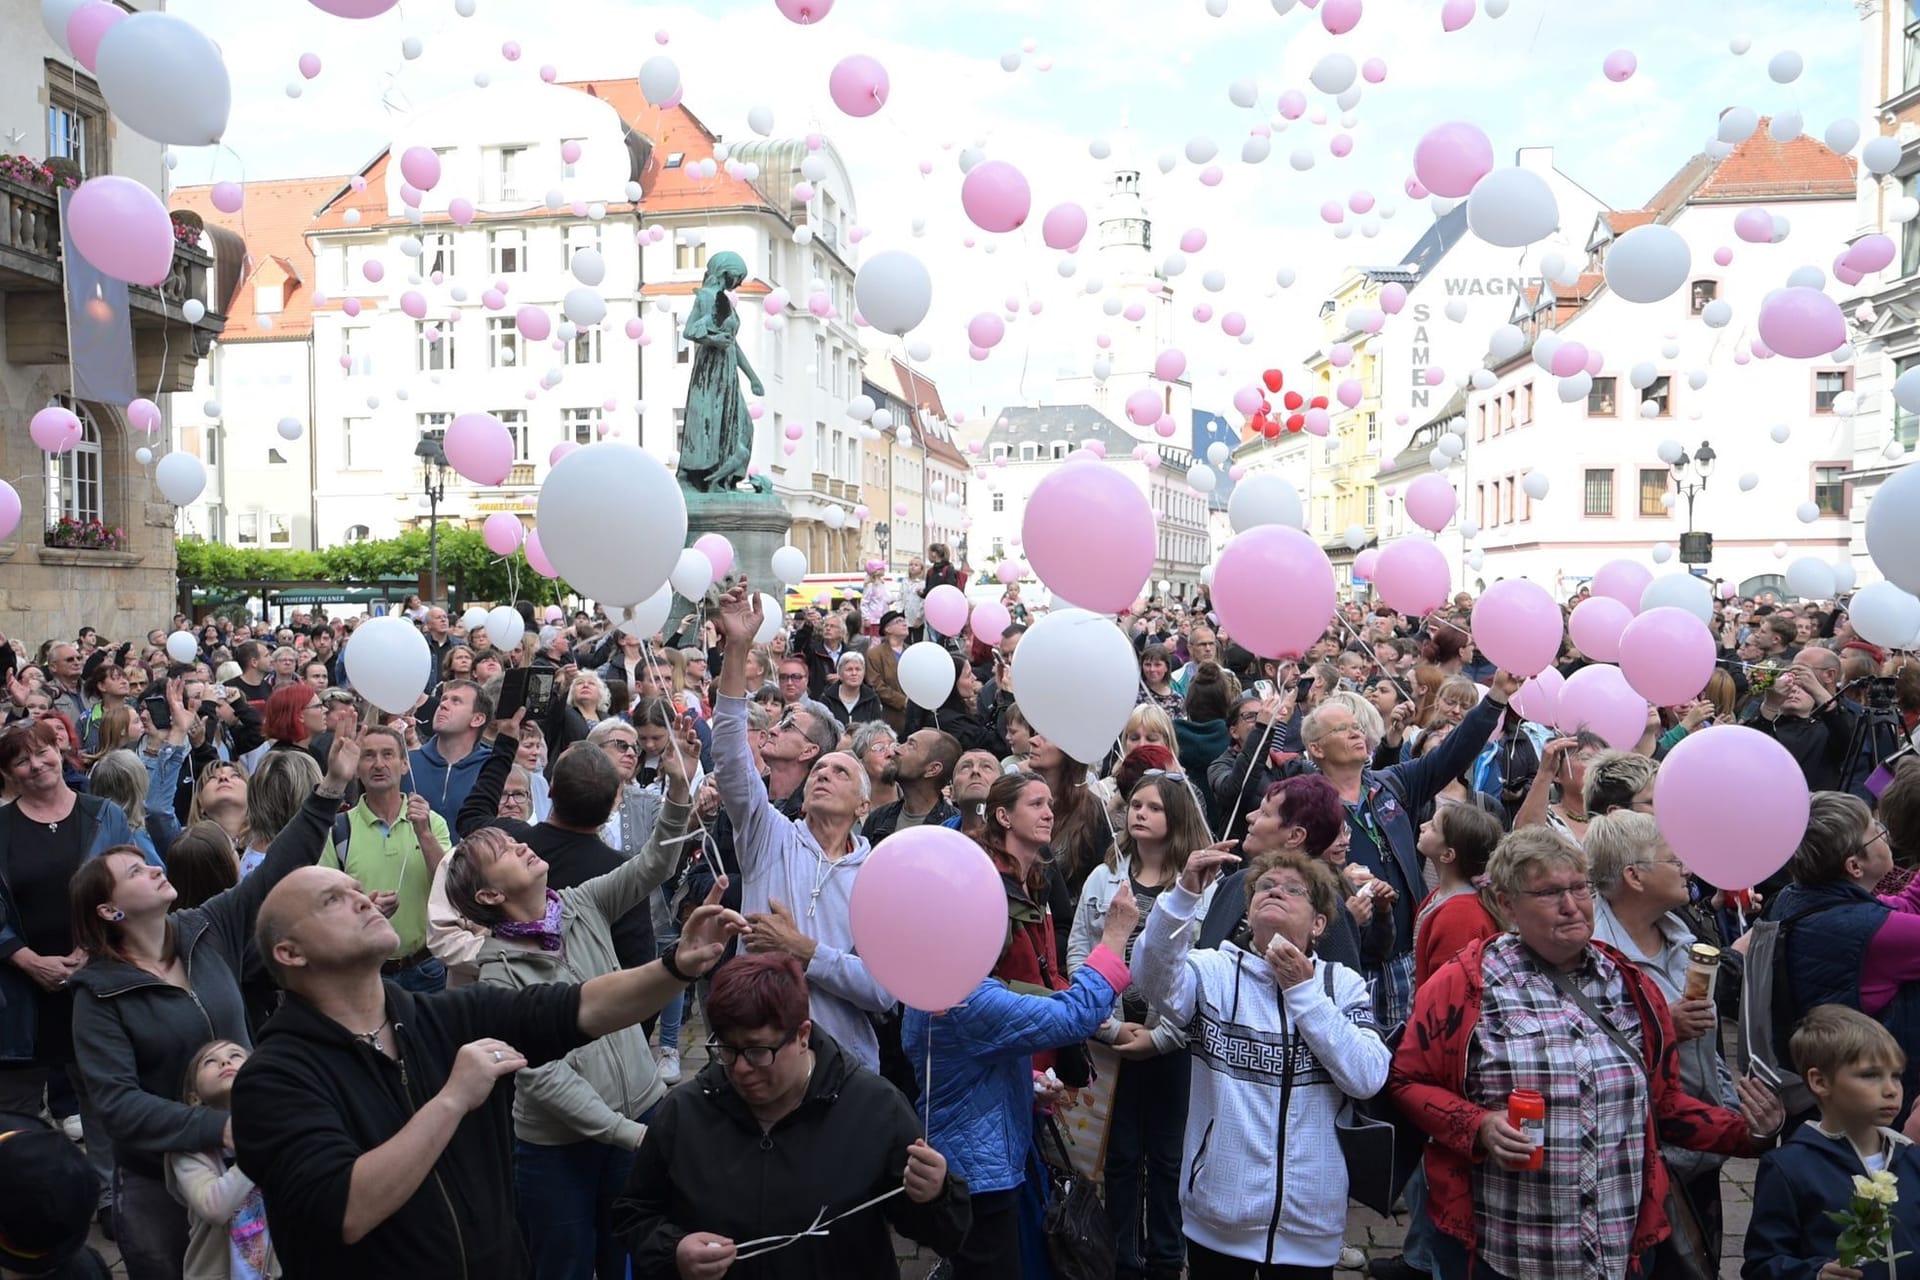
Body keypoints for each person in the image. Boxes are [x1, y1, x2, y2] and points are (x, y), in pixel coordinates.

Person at [229, 843, 746, 1278]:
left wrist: (675, 965)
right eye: (332, 900)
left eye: (356, 890)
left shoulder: (446, 1017)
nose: (363, 901)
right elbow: (345, 1208)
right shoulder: (273, 1078)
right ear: (290, 954)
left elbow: (581, 1007)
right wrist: (452, 1099)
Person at [1389, 827, 1784, 1280]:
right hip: (1508, 1245)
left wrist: (1749, 1134)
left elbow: (1664, 1104)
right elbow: (1407, 1081)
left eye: (1579, 887)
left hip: (1617, 1248)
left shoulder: (1631, 985)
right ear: (1505, 903)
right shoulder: (1466, 984)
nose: (1571, 904)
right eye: (1549, 892)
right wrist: (1478, 1126)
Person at [68, 739, 346, 1280]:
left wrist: (331, 787)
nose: (153, 868)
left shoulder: (206, 927)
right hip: (161, 1182)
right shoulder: (97, 993)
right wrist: (217, 1129)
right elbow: (118, 1104)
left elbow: (276, 872)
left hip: (258, 1152)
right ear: (109, 909)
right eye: (134, 872)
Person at [446, 724, 698, 1280]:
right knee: (564, 1266)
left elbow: (653, 863)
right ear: (490, 895)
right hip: (558, 1150)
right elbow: (546, 1079)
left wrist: (678, 792)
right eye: (508, 851)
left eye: (515, 839)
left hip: (639, 1109)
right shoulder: (496, 974)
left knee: (631, 1256)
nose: (522, 843)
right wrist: (629, 1133)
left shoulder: (579, 904)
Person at [618, 954, 970, 1278]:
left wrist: (935, 1196)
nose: (740, 1068)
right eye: (726, 1049)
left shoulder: (875, 1108)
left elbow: (946, 1235)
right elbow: (633, 1215)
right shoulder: (683, 1112)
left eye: (758, 1050)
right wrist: (674, 1251)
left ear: (802, 1035)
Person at [1134, 839, 1392, 1279]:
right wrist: (1182, 896)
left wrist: (1303, 992)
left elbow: (1368, 1076)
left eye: (1293, 889)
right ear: (1248, 914)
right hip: (1218, 1219)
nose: (1274, 891)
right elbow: (1151, 977)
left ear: (1318, 923)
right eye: (1265, 887)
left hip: (1308, 1229)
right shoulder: (1213, 971)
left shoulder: (1340, 984)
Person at [709, 583, 895, 1072]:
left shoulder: (880, 872)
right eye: (819, 771)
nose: (823, 777)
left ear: (863, 806)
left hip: (843, 1067)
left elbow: (882, 991)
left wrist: (804, 951)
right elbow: (729, 752)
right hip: (756, 1054)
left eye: (840, 772)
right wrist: (736, 649)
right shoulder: (768, 835)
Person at [908, 887, 1139, 1279]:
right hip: (982, 1178)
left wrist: (1028, 1081)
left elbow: (968, 1064)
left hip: (976, 1160)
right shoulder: (962, 998)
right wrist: (1115, 936)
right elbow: (1076, 1016)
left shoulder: (931, 983)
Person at [1300, 670, 1519, 1027]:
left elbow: (1451, 753)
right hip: (1347, 961)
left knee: (1406, 1056)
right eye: (1342, 729)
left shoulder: (1393, 784)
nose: (1356, 732)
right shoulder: (1304, 803)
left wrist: (1494, 699)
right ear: (1317, 748)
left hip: (1405, 956)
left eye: (1356, 725)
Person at [1068, 765, 1216, 1280]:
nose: (1140, 813)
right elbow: (1081, 948)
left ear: (1176, 818)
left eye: (1154, 807)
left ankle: (1167, 1257)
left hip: (1173, 1046)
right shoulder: (1104, 874)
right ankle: (1122, 1258)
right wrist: (1106, 1026)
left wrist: (1162, 1035)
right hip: (1113, 1041)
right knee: (1122, 1154)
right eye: (1136, 804)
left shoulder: (1201, 886)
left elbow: (1204, 967)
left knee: (1169, 1156)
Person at [1585, 810, 1740, 1274]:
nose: (1687, 869)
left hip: (1699, 1144)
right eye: (1673, 860)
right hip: (1635, 1157)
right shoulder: (1590, 950)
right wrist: (1661, 1025)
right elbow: (1580, 1047)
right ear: (1634, 876)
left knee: (1700, 1261)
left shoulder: (1681, 938)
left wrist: (1727, 1108)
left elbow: (1710, 1048)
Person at [1765, 793, 1920, 1127]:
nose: (1883, 828)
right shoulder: (1870, 933)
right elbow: (1893, 925)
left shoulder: (1797, 898)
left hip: (1824, 1099)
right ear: (1854, 865)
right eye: (1874, 830)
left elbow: (1903, 907)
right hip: (1872, 1112)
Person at [1744, 1005, 1920, 1280]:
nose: (1891, 1090)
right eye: (1870, 1075)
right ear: (1820, 1081)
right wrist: (1813, 1274)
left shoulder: (1911, 1158)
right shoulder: (1789, 1167)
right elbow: (1762, 1262)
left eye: (1896, 1075)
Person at [320, 727, 451, 995]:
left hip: (425, 967)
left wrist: (424, 833)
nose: (378, 764)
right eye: (368, 756)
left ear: (405, 764)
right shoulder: (339, 829)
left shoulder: (432, 822)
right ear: (356, 767)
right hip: (365, 971)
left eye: (388, 754)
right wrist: (365, 910)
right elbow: (324, 903)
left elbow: (450, 886)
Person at [166, 1040, 279, 1279]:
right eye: (210, 1061)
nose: (225, 1062)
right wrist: (256, 1144)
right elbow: (215, 1207)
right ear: (194, 1097)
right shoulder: (187, 1150)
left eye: (236, 1055)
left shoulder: (281, 1125)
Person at [1411, 799, 1506, 988]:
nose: (1422, 826)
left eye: (1433, 827)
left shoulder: (1460, 918)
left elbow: (1448, 990)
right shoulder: (1440, 896)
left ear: (1448, 855)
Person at [409, 679, 491, 828]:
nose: (443, 705)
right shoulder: (407, 763)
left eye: (456, 701)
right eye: (444, 699)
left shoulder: (493, 767)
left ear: (477, 719)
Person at [863, 728, 961, 847]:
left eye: (911, 745)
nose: (895, 750)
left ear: (932, 769)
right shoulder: (878, 819)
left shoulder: (955, 828)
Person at [862, 612, 912, 733]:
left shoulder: (912, 651)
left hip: (916, 716)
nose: (904, 623)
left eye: (904, 620)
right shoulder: (874, 654)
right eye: (898, 621)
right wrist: (903, 701)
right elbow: (876, 685)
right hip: (891, 716)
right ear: (887, 629)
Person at [826, 652, 886, 729]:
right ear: (840, 674)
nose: (854, 673)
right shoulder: (827, 699)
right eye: (849, 670)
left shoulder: (872, 699)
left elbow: (878, 729)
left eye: (858, 669)